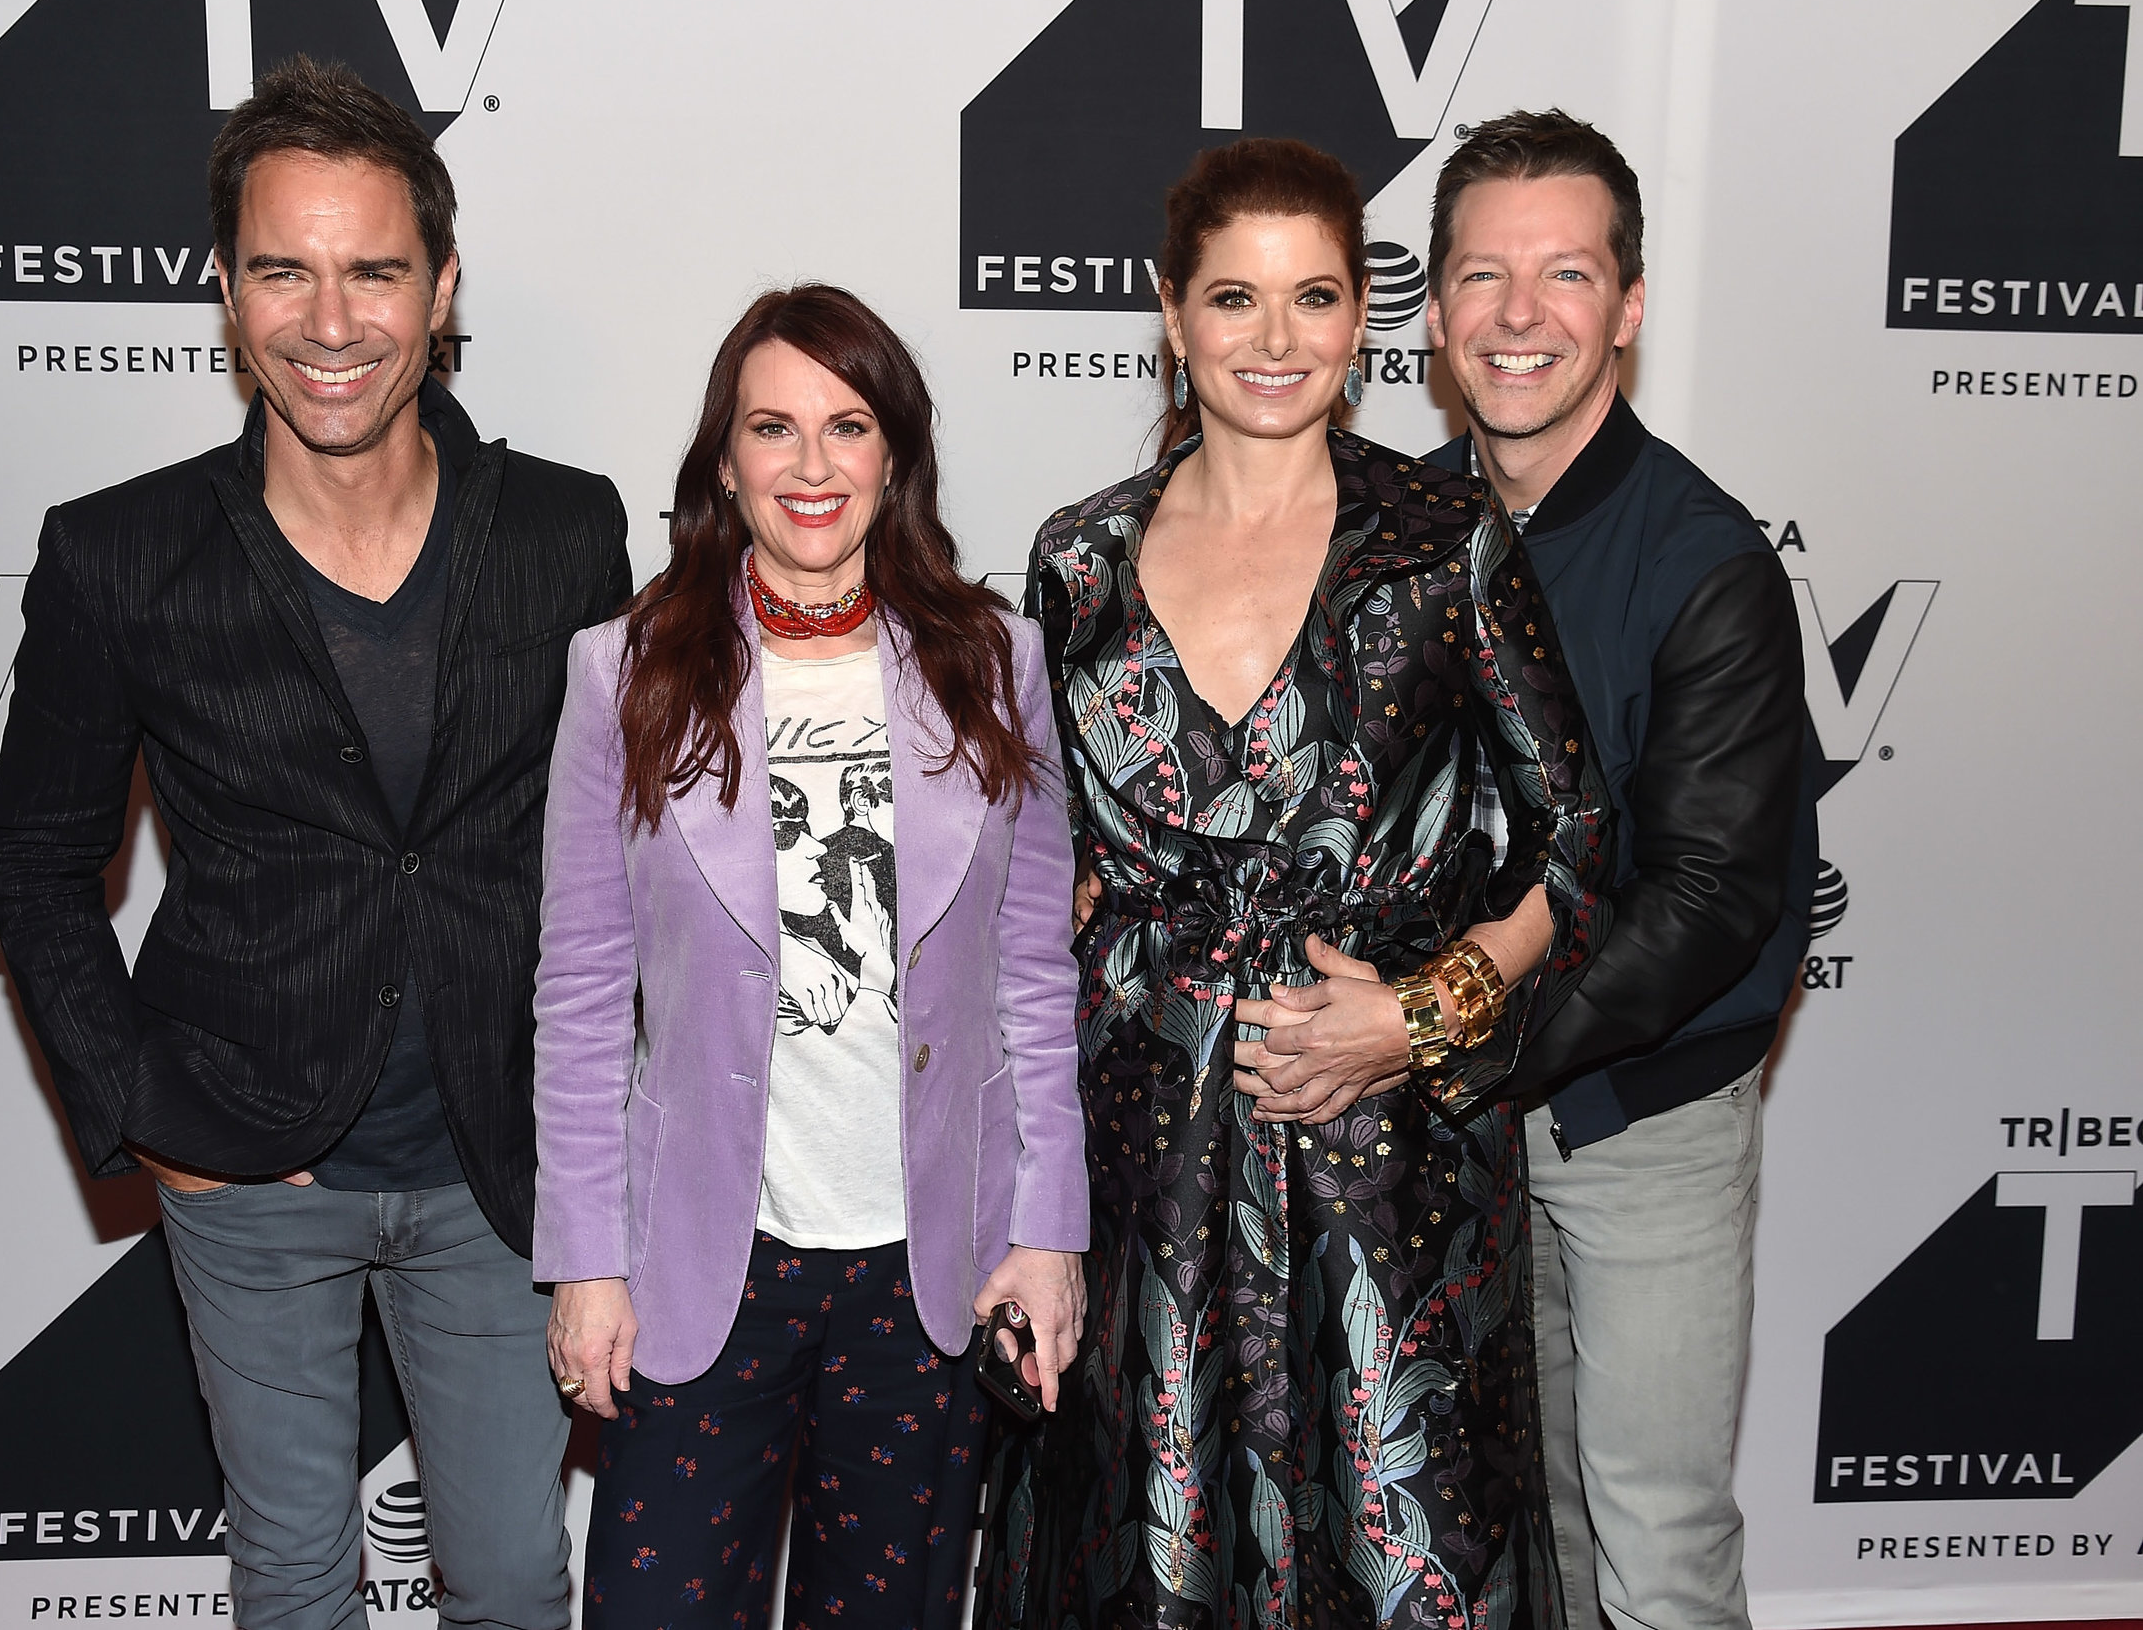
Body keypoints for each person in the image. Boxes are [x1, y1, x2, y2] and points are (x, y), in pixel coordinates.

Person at [0, 57, 630, 1630]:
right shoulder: (120, 550)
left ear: (442, 282)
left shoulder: (566, 529)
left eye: (373, 271)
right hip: (250, 1158)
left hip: (500, 1163)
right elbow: (36, 866)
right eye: (283, 269)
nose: (329, 322)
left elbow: (630, 853)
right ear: (224, 287)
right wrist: (142, 1110)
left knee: (510, 1577)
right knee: (292, 1577)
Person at [977, 138, 1609, 1630]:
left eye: (1313, 297)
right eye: (1236, 299)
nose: (1275, 341)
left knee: (1408, 1568)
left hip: (1390, 1172)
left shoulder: (1446, 543)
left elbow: (1578, 842)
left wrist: (1424, 1009)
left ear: (1361, 317)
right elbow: (1025, 884)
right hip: (1144, 1169)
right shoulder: (1080, 563)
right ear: (1173, 315)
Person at [530, 284, 1088, 1630]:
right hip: (702, 1265)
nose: (812, 464)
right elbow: (583, 985)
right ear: (725, 459)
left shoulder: (993, 660)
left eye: (847, 425)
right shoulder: (628, 668)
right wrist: (587, 1259)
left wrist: (1048, 1225)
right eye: (772, 428)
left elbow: (1033, 976)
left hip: (925, 1265)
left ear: (894, 451)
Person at [1422, 110, 1813, 1630]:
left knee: (1652, 1541)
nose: (1521, 316)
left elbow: (1713, 896)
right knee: (1537, 1531)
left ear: (1628, 308)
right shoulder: (1398, 533)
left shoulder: (1702, 558)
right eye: (1483, 277)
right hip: (1462, 1109)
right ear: (1437, 312)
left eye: (1566, 274)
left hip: (1638, 1110)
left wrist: (1467, 1039)